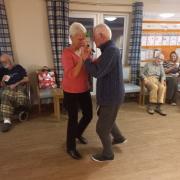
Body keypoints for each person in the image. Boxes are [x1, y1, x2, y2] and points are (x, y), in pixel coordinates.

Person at [83, 24, 126, 162]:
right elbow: (100, 66)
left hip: (111, 96)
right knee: (105, 116)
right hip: (111, 94)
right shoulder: (108, 50)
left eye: (95, 38)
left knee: (102, 128)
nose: (94, 42)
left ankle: (108, 154)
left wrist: (86, 59)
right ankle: (119, 138)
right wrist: (91, 59)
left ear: (102, 36)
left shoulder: (111, 51)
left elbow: (97, 72)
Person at [61, 22, 92, 160]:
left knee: (88, 115)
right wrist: (82, 59)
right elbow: (72, 74)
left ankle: (77, 134)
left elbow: (90, 65)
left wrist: (91, 58)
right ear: (71, 37)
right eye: (79, 38)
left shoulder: (84, 49)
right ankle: (70, 147)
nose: (82, 40)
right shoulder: (66, 53)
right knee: (73, 119)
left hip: (84, 88)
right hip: (70, 90)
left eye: (83, 37)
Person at [0, 54, 29, 132]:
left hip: (19, 87)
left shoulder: (18, 68)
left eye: (4, 61)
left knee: (21, 98)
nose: (3, 63)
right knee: (5, 95)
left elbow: (26, 79)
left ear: (10, 60)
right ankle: (7, 122)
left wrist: (16, 84)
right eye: (2, 62)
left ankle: (19, 109)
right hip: (8, 88)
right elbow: (2, 85)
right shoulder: (2, 70)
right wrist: (2, 81)